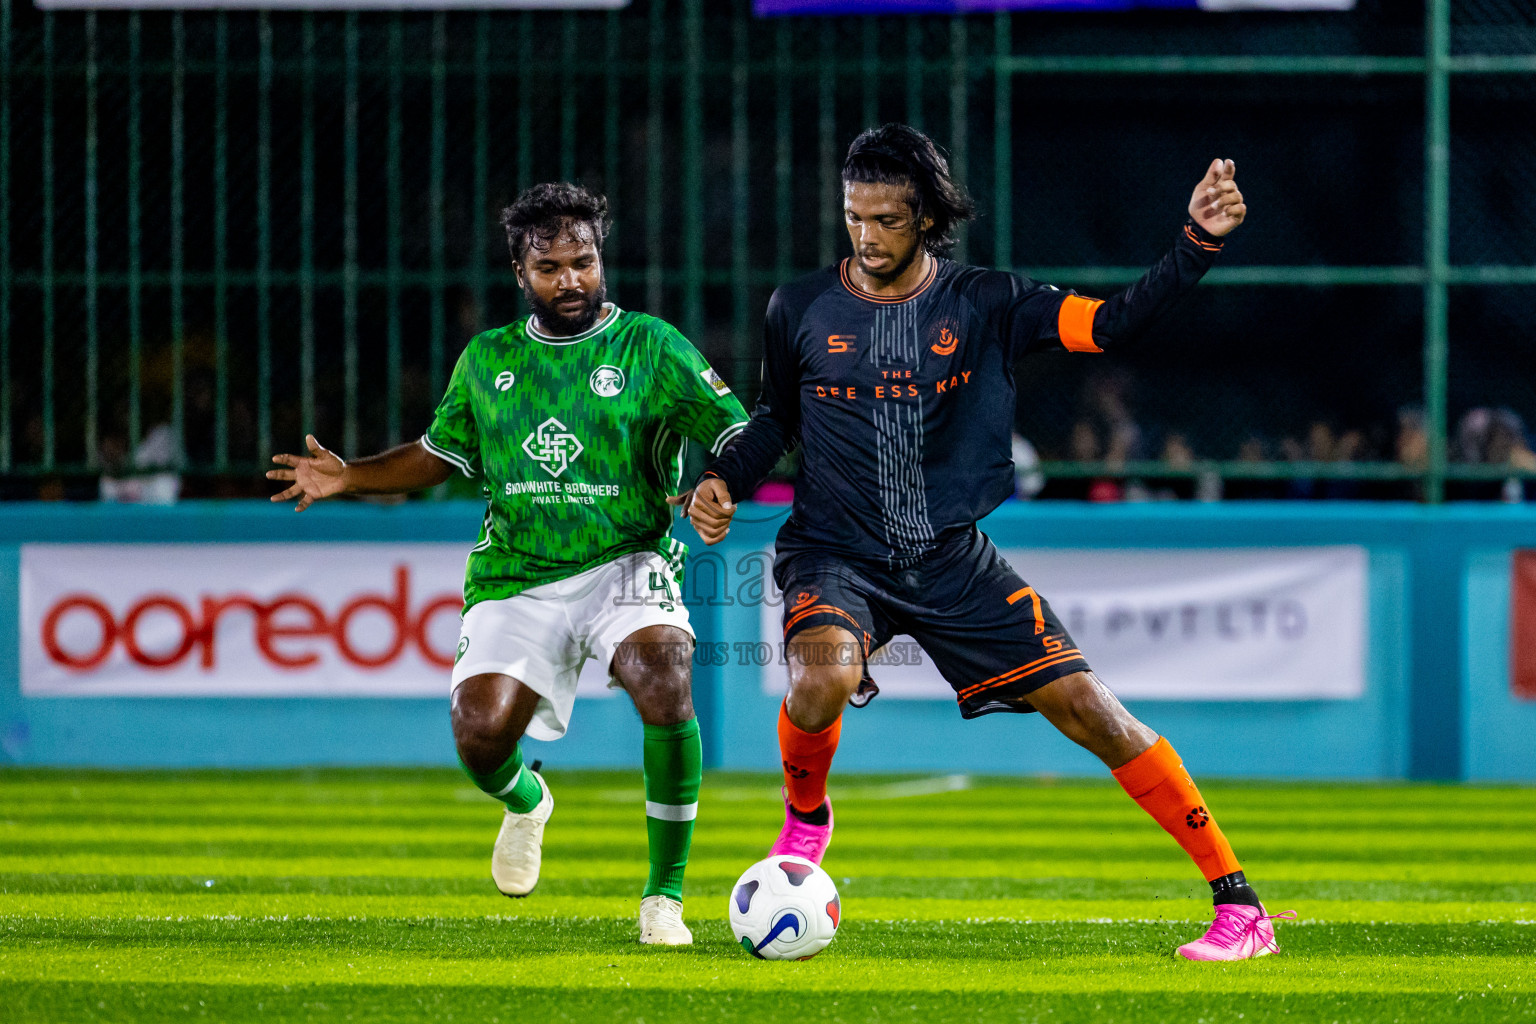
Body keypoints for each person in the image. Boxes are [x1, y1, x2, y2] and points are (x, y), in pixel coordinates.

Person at [678, 124, 1288, 961]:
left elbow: (1109, 325)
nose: (866, 235)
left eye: (887, 219)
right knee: (821, 674)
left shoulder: (992, 302)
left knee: (1092, 712)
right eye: (854, 217)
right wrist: (725, 481)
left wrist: (1196, 242)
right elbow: (775, 418)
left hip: (950, 560)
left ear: (927, 217)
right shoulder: (801, 305)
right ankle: (806, 819)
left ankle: (1239, 906)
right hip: (833, 550)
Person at [269, 182, 748, 945]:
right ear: (520, 272)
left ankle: (665, 898)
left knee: (664, 679)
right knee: (481, 732)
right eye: (551, 267)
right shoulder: (489, 359)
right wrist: (351, 474)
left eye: (584, 263)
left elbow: (735, 431)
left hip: (627, 560)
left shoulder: (651, 347)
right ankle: (527, 799)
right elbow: (437, 455)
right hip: (516, 573)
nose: (571, 281)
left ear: (602, 259)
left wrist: (718, 487)